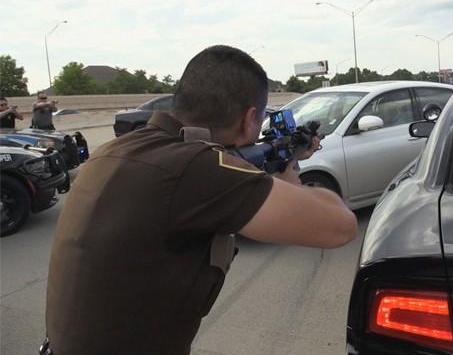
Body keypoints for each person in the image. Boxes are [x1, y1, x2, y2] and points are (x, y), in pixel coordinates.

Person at [43, 45, 358, 355]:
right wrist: (292, 170)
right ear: (250, 119)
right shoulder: (197, 167)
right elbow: (340, 227)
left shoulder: (118, 149)